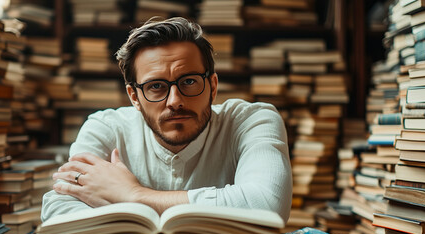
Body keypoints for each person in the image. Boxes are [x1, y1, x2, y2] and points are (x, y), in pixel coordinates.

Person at [41, 17, 292, 222]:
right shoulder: (106, 128)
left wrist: (133, 195)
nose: (174, 101)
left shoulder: (253, 120)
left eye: (189, 81)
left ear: (213, 87)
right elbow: (59, 210)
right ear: (134, 97)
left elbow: (267, 205)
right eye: (156, 86)